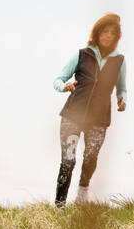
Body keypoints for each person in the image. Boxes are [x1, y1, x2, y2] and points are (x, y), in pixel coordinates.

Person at [52, 13, 128, 207]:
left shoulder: (119, 61)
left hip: (99, 118)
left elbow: (122, 88)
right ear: (97, 32)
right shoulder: (81, 54)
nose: (108, 35)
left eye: (113, 33)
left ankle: (82, 192)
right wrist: (64, 86)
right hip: (73, 115)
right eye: (105, 31)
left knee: (91, 157)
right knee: (68, 160)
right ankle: (59, 204)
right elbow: (58, 79)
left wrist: (122, 99)